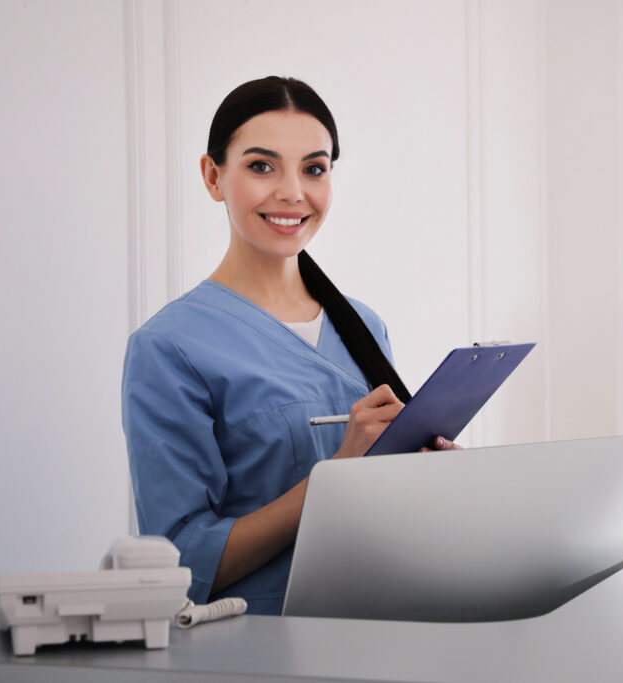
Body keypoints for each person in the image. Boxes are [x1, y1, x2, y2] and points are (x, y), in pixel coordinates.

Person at [121, 76, 458, 615]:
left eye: (314, 168)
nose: (292, 192)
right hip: (257, 651)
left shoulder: (364, 325)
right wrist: (333, 480)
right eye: (261, 166)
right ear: (213, 176)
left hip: (386, 628)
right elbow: (178, 565)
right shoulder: (170, 347)